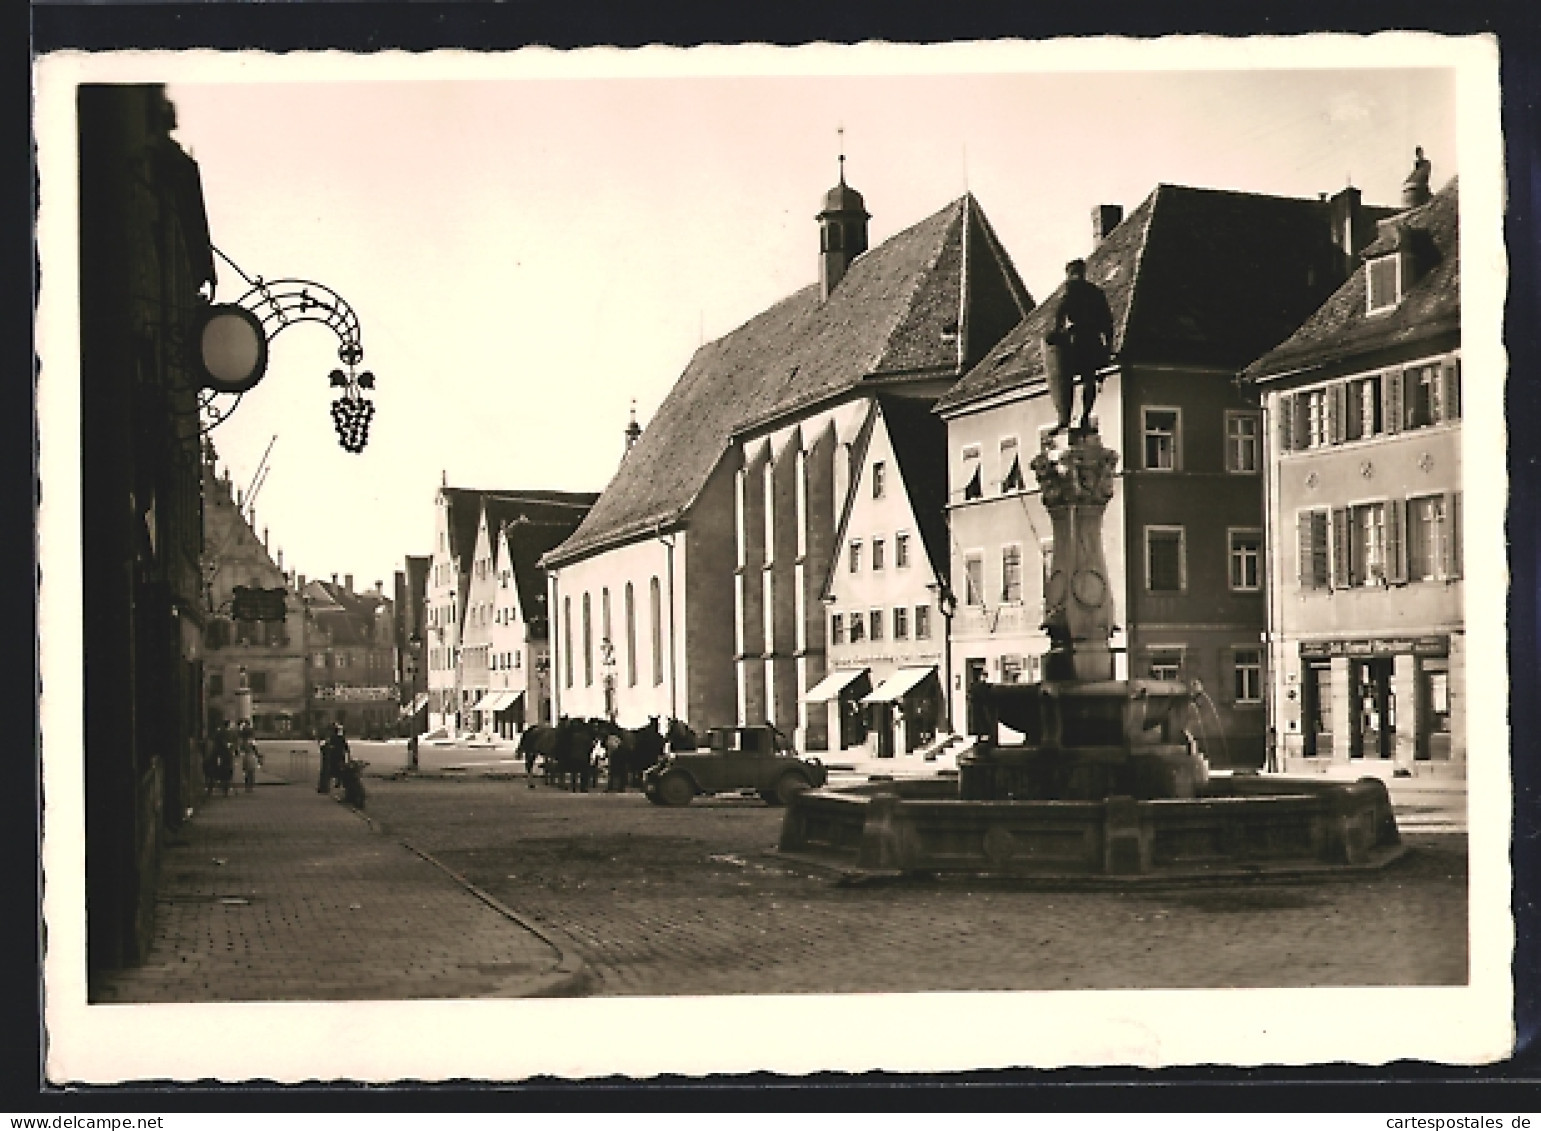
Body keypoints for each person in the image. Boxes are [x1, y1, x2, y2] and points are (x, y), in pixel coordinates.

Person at [1046, 259, 1114, 434]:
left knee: (1066, 378)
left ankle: (1065, 419)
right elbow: (1108, 323)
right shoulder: (1096, 293)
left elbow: (1060, 314)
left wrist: (1055, 332)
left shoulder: (1070, 289)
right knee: (1088, 380)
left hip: (1076, 340)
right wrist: (1108, 347)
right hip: (1093, 340)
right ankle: (1083, 416)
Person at [318, 723, 349, 794]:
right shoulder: (340, 738)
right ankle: (337, 783)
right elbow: (346, 748)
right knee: (339, 770)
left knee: (331, 770)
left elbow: (324, 746)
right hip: (339, 756)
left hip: (333, 757)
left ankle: (326, 786)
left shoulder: (332, 738)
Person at [239, 722, 261, 793]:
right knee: (251, 772)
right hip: (251, 755)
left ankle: (247, 786)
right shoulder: (251, 741)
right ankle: (250, 786)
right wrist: (258, 756)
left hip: (245, 756)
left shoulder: (243, 741)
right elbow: (255, 749)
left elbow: (241, 749)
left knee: (246, 772)